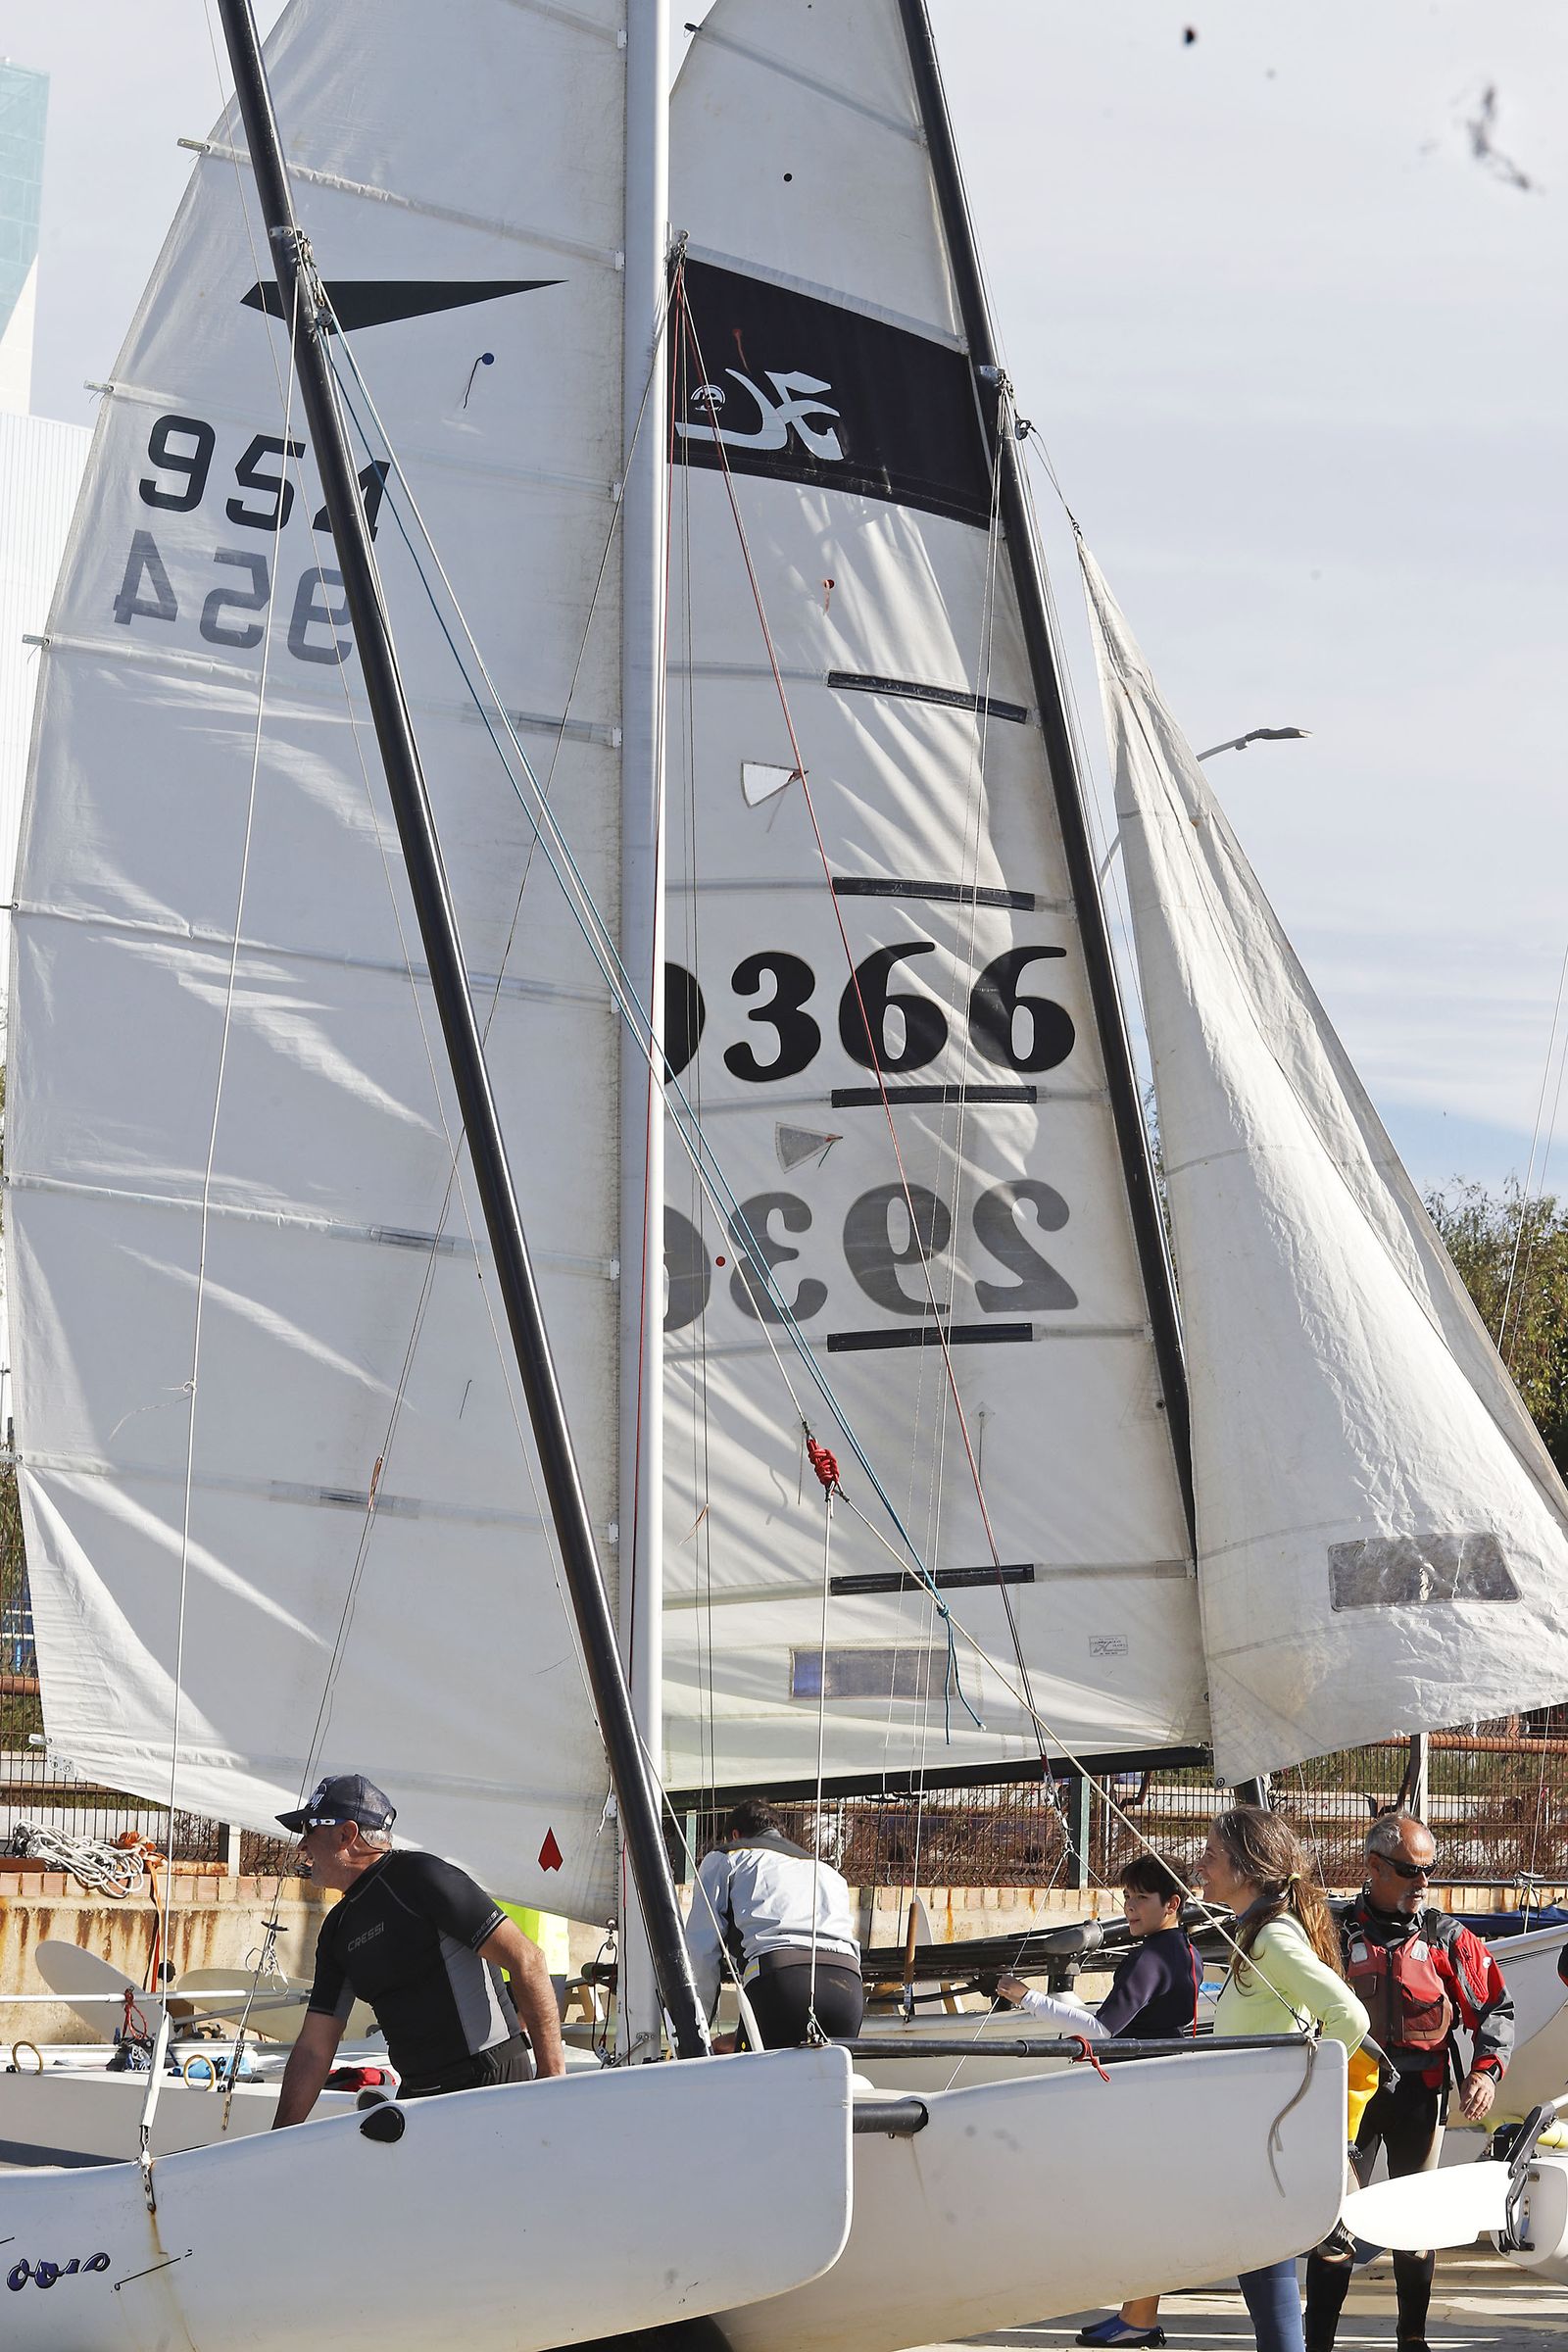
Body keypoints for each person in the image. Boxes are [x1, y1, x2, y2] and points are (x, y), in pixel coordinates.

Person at [1303, 1808, 1513, 2352]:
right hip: (1349, 2099)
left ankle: (1412, 2339)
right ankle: (1317, 2342)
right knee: (1334, 2229)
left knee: (1415, 2226)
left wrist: (1487, 2071)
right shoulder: (1331, 1935)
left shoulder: (1448, 1939)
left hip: (1421, 2097)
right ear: (1373, 1867)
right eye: (1411, 1870)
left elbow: (1493, 2006)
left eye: (1430, 1870)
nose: (1424, 1882)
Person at [270, 1772, 566, 2126]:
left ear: (347, 1835)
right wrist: (280, 2137)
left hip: (488, 2082)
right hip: (418, 2096)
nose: (301, 1845)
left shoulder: (423, 1878)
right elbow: (314, 2049)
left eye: (309, 1831)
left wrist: (552, 2083)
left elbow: (527, 1959)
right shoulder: (337, 1929)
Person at [992, 1849, 1200, 2349]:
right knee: (1143, 2206)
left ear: (1171, 1903)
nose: (1130, 1907)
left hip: (1145, 2097)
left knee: (1139, 2208)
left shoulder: (1151, 1955)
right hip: (1169, 2090)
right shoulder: (1183, 1950)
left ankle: (1139, 2320)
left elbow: (1104, 2030)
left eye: (1141, 1898)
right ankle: (1137, 2316)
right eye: (1126, 1897)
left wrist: (1026, 1997)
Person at [1199, 1806, 1370, 2352]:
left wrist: (1307, 2097)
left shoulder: (1272, 1936)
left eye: (1212, 1854)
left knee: (1270, 2299)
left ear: (1245, 1868)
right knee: (1265, 2294)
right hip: (1254, 2137)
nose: (1200, 1862)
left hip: (1267, 2139)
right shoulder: (1257, 1932)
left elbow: (1350, 2017)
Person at [685, 1798, 863, 2048]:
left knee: (757, 2081)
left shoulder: (725, 1857)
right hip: (848, 1989)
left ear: (734, 1835)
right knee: (824, 2083)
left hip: (781, 1982)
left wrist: (694, 2032)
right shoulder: (827, 1872)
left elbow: (700, 1951)